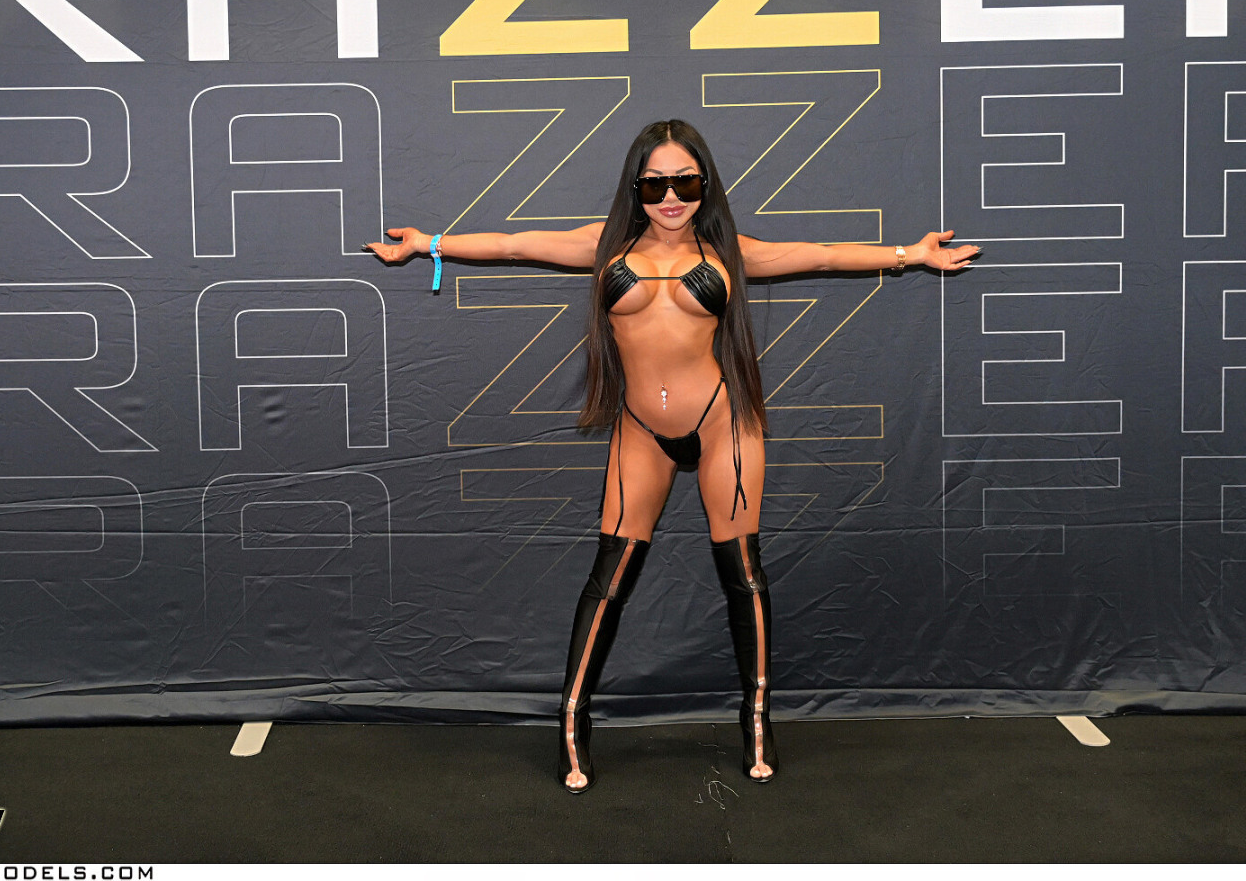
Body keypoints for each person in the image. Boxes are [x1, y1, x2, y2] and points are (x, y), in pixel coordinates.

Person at [367, 118, 978, 793]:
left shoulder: (728, 254)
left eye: (684, 183)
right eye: (655, 184)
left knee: (744, 575)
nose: (669, 197)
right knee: (609, 577)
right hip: (639, 428)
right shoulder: (603, 248)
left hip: (722, 423)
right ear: (636, 188)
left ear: (704, 185)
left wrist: (911, 254)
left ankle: (757, 719)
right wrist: (429, 244)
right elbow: (513, 244)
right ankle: (571, 721)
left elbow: (824, 256)